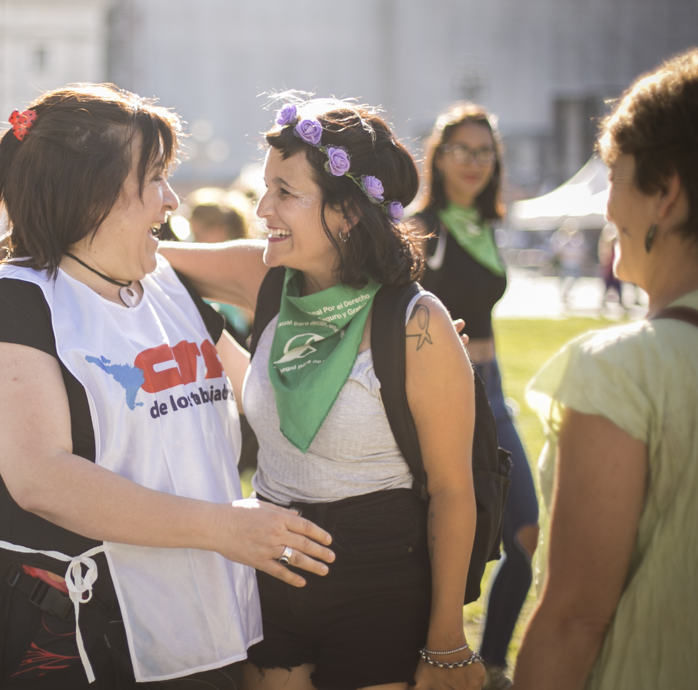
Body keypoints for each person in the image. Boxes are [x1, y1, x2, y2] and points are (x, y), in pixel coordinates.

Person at [0, 84, 334, 689]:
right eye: (154, 178)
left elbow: (262, 392)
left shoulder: (164, 284)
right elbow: (43, 480)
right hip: (68, 638)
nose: (171, 199)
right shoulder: (12, 302)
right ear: (88, 192)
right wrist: (224, 528)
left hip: (199, 624)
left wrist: (384, 343)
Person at [158, 98, 484, 690]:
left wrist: (446, 641)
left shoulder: (418, 321)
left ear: (348, 211)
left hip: (378, 582)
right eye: (265, 189)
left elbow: (453, 492)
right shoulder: (265, 277)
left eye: (285, 192)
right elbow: (144, 260)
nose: (262, 209)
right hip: (269, 567)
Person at [515, 48, 698, 689]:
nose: (607, 208)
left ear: (665, 193)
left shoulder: (620, 370)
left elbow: (574, 620)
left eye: (614, 175)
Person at [409, 102, 537, 689]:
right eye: (461, 149)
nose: (474, 162)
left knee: (524, 532)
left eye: (485, 151)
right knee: (441, 532)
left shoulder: (484, 226)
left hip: (494, 387)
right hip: (443, 388)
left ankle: (493, 664)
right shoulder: (420, 227)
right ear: (439, 158)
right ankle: (430, 654)